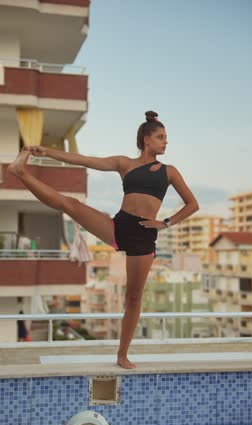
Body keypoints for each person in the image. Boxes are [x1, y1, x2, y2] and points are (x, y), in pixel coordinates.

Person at [7, 110, 199, 369]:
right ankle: (20, 172)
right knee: (70, 204)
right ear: (146, 139)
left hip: (144, 236)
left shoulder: (169, 171)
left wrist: (165, 223)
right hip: (119, 226)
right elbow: (85, 160)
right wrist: (48, 152)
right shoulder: (125, 164)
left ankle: (122, 354)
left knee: (133, 297)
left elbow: (192, 204)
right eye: (161, 137)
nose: (166, 142)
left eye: (166, 138)